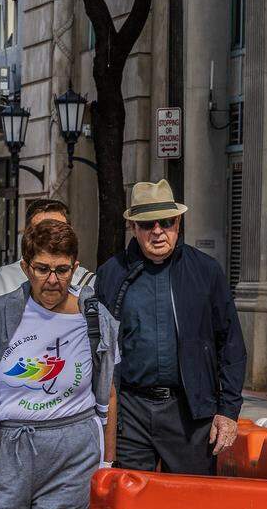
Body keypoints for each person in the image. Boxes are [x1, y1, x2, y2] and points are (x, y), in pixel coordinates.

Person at [0, 220, 119, 509]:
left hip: (73, 453)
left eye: (62, 270)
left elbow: (108, 393)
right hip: (6, 450)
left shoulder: (97, 319)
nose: (52, 280)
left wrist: (107, 465)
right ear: (26, 267)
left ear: (75, 267)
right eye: (43, 269)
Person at [95, 179, 245, 475]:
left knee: (192, 504)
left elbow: (230, 343)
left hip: (190, 411)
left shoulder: (205, 271)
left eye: (167, 222)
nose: (158, 231)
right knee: (133, 504)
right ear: (134, 228)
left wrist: (228, 411)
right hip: (130, 410)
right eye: (148, 224)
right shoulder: (111, 274)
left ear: (178, 222)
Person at [0, 199, 93, 329]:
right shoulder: (4, 277)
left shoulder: (89, 282)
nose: (50, 239)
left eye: (62, 270)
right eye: (41, 232)